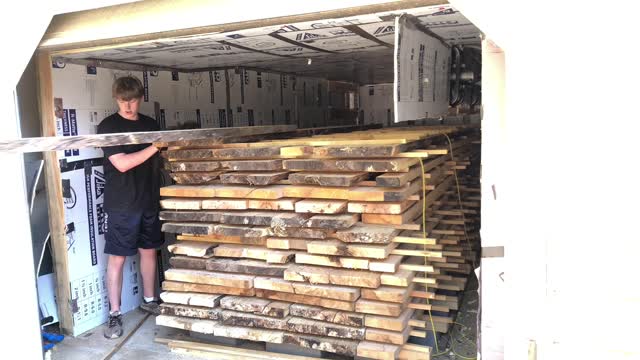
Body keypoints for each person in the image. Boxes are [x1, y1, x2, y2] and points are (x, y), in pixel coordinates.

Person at [97, 76, 163, 339]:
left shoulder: (150, 124)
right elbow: (122, 163)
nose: (128, 106)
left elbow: (158, 158)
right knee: (118, 257)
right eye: (123, 100)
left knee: (148, 252)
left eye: (133, 100)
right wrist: (154, 147)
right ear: (116, 98)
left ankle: (150, 300)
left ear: (140, 98)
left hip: (147, 199)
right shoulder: (108, 126)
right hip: (122, 204)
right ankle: (114, 315)